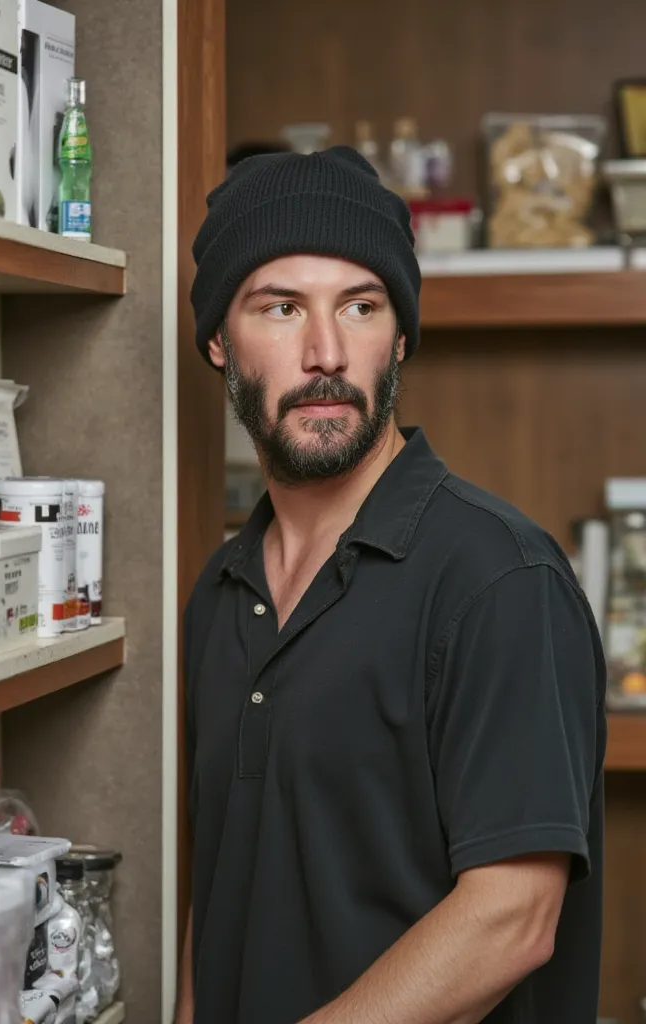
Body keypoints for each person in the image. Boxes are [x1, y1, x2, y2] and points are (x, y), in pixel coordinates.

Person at [176, 146, 607, 1024]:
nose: (325, 352)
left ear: (400, 336)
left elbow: (513, 918)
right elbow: (220, 884)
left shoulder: (499, 580)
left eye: (361, 307)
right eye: (281, 307)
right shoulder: (221, 592)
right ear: (220, 341)